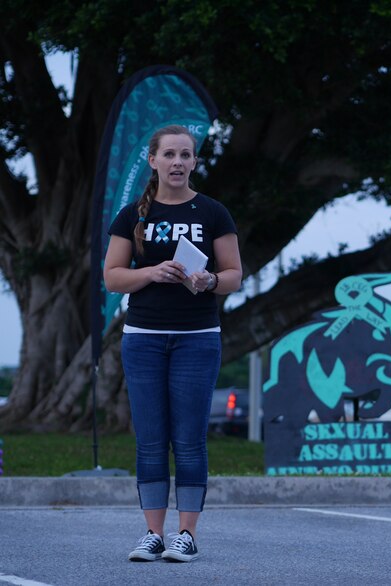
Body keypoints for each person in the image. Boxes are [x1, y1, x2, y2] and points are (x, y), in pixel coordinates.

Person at [103, 124, 242, 562]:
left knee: (189, 440)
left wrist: (210, 280)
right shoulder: (132, 215)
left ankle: (187, 535)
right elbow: (111, 277)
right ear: (153, 160)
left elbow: (234, 275)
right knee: (149, 439)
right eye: (170, 155)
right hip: (143, 339)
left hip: (197, 340)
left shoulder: (213, 212)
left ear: (195, 162)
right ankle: (152, 534)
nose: (178, 162)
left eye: (186, 155)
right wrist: (151, 273)